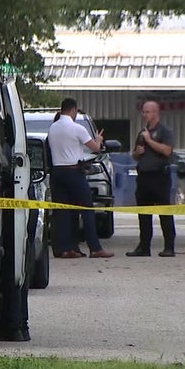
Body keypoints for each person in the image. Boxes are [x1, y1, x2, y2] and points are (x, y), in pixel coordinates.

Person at [46, 98, 114, 259]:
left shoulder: (53, 129)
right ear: (73, 110)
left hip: (57, 173)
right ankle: (95, 248)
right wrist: (98, 139)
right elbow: (95, 148)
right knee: (87, 209)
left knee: (63, 212)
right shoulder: (77, 128)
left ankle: (66, 248)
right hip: (74, 172)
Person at [126, 100, 177, 257]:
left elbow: (167, 151)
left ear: (156, 113)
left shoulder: (164, 131)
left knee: (164, 212)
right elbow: (134, 155)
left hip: (159, 176)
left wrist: (149, 141)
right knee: (143, 213)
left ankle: (169, 246)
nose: (144, 115)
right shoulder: (142, 132)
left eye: (147, 112)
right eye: (143, 112)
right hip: (143, 177)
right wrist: (137, 152)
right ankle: (144, 246)